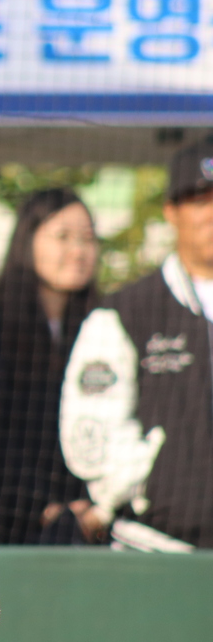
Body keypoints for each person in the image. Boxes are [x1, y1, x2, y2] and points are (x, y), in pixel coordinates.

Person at [60, 140, 213, 551]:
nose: (211, 214)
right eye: (199, 201)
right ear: (171, 212)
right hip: (153, 548)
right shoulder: (125, 312)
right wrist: (140, 484)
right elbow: (92, 434)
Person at [0, 188, 98, 544]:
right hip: (5, 523)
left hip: (88, 523)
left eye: (88, 238)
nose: (78, 251)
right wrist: (40, 504)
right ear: (28, 241)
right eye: (63, 237)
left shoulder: (104, 326)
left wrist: (91, 504)